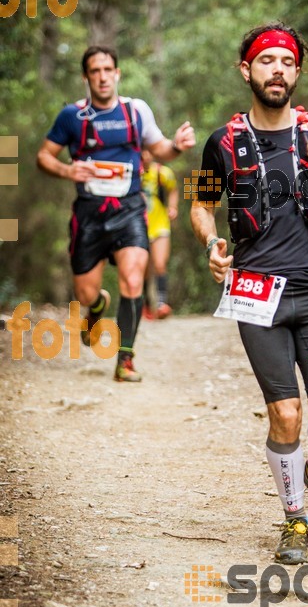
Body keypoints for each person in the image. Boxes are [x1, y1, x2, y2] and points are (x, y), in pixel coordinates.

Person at [190, 23, 308, 564]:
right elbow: (202, 206)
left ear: (297, 72)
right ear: (245, 70)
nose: (278, 69)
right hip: (257, 296)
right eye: (266, 60)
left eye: (287, 61)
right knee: (286, 417)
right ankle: (294, 520)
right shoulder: (222, 144)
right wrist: (211, 242)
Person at [37, 46, 195, 381]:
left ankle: (125, 360)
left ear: (118, 73)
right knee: (85, 293)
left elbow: (160, 148)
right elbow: (44, 157)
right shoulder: (71, 117)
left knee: (134, 279)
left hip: (130, 208)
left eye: (108, 69)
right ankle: (96, 308)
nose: (102, 76)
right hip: (89, 213)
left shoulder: (136, 111)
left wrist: (177, 145)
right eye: (95, 71)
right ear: (86, 77)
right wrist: (68, 171)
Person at [141, 148, 178, 320]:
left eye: (147, 152)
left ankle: (162, 304)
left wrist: (173, 207)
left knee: (160, 263)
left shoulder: (163, 173)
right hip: (139, 227)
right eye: (142, 153)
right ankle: (147, 305)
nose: (146, 156)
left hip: (160, 224)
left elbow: (173, 189)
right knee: (144, 270)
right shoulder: (134, 174)